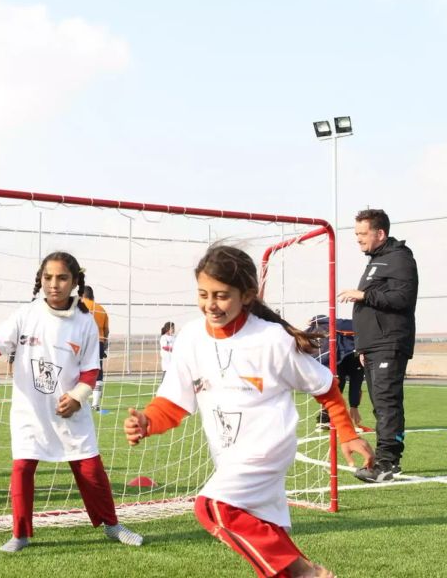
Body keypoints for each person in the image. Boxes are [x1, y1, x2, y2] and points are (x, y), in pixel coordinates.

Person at [124, 245, 373, 578]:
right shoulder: (190, 338)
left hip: (267, 449)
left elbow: (324, 385)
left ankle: (305, 572)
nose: (210, 304)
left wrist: (347, 433)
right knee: (269, 542)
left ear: (247, 295)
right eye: (203, 294)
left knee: (212, 507)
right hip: (229, 456)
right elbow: (174, 402)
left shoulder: (272, 340)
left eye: (221, 295)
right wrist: (146, 421)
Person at [0, 251, 142, 553]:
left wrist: (78, 398)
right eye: (48, 277)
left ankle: (112, 525)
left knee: (91, 470)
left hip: (69, 413)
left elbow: (91, 369)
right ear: (40, 280)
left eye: (62, 277)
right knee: (22, 469)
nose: (54, 284)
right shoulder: (26, 315)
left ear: (75, 282)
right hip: (31, 413)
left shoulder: (85, 322)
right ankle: (21, 533)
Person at [339, 209, 418, 483]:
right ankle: (384, 461)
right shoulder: (376, 260)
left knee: (387, 403)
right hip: (372, 346)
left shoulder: (399, 259)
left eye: (363, 234)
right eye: (356, 234)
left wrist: (363, 294)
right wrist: (361, 347)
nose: (358, 239)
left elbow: (403, 299)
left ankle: (387, 464)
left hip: (390, 343)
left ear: (380, 233)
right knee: (379, 405)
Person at [307, 315, 365, 430]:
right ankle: (325, 419)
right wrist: (317, 319)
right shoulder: (360, 326)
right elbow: (338, 323)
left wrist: (354, 406)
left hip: (347, 354)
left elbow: (356, 383)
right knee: (336, 384)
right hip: (336, 354)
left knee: (344, 383)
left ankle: (328, 420)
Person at [82, 285, 110, 411]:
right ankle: (95, 403)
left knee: (79, 370)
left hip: (83, 342)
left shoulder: (79, 307)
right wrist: (103, 345)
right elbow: (106, 330)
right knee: (98, 371)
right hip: (98, 342)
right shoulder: (101, 309)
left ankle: (80, 400)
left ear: (83, 295)